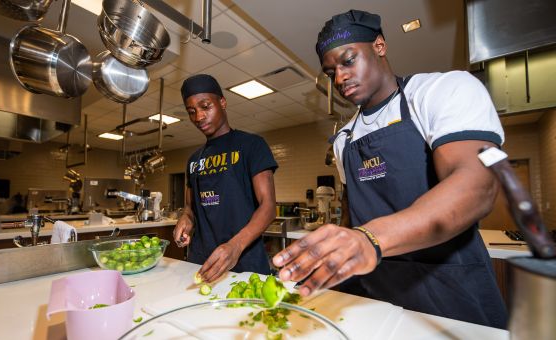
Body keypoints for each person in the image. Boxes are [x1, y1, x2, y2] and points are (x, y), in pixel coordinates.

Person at [272, 10, 508, 328]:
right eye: (330, 73)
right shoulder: (344, 138)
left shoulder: (439, 92)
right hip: (374, 296)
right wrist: (336, 257)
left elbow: (476, 185)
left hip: (451, 292)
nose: (339, 78)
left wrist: (370, 239)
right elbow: (351, 215)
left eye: (348, 61)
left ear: (379, 45)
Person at [174, 74, 278, 283]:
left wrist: (235, 246)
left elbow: (268, 207)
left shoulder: (251, 145)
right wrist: (186, 219)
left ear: (222, 102)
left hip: (244, 262)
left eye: (205, 107)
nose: (199, 117)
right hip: (201, 262)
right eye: (191, 111)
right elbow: (190, 208)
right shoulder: (194, 160)